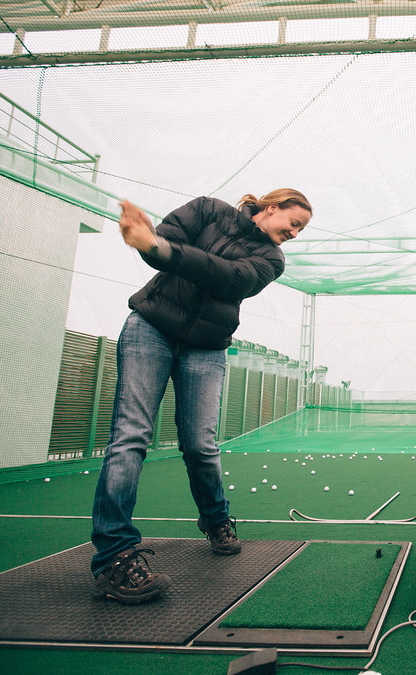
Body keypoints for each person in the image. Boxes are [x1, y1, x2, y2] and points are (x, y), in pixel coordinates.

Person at [90, 190, 312, 604]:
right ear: (272, 207)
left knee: (200, 446)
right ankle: (113, 555)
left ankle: (215, 520)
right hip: (150, 328)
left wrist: (165, 249)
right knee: (130, 437)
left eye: (300, 229)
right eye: (294, 223)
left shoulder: (272, 261)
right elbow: (160, 247)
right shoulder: (209, 209)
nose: (295, 234)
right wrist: (156, 245)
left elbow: (229, 278)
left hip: (207, 347)